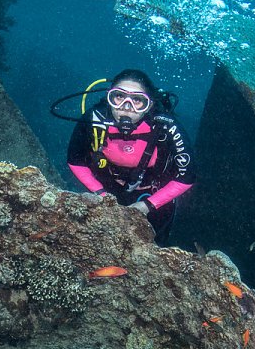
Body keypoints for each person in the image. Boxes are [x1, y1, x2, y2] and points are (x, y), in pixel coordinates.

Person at [66, 69, 195, 245]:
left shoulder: (166, 126)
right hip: (107, 188)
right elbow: (76, 161)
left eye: (137, 101)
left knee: (153, 244)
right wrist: (102, 194)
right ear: (109, 98)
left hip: (155, 196)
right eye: (119, 97)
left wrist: (147, 206)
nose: (126, 107)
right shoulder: (94, 119)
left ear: (149, 105)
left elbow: (186, 177)